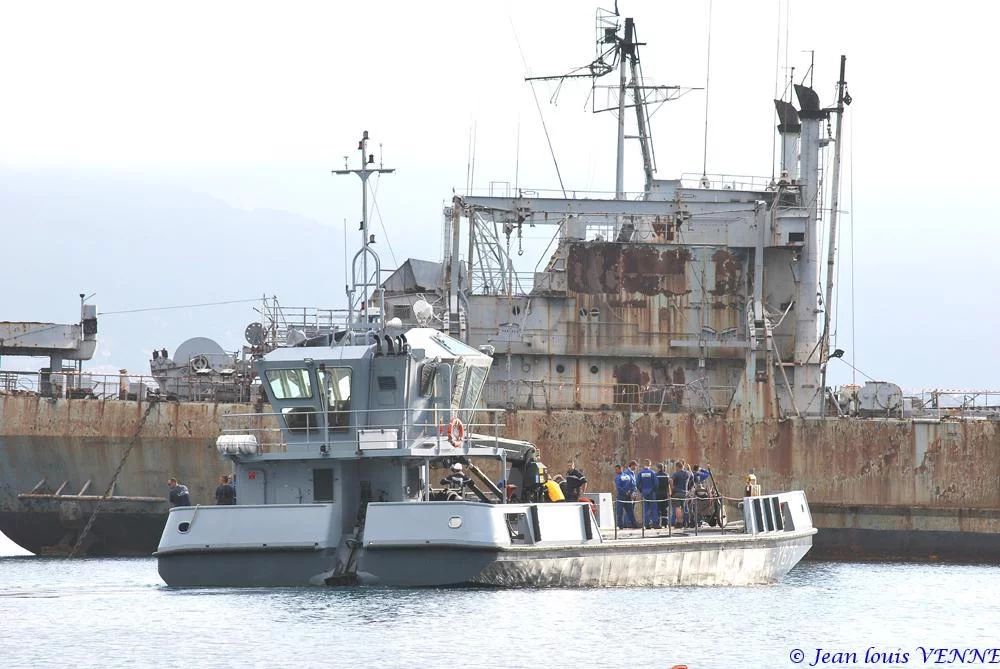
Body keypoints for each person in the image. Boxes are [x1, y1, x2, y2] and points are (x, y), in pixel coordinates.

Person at [636, 459, 659, 529]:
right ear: (650, 465)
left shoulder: (640, 473)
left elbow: (637, 483)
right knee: (654, 508)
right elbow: (656, 483)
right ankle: (655, 523)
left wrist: (641, 490)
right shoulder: (652, 473)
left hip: (644, 492)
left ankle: (647, 524)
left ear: (644, 465)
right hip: (652, 492)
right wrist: (654, 490)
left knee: (645, 508)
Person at [614, 463, 637, 528]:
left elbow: (619, 487)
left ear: (620, 469)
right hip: (628, 496)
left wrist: (624, 492)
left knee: (619, 512)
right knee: (630, 512)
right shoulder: (627, 476)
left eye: (616, 470)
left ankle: (620, 526)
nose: (615, 471)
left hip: (621, 496)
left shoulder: (618, 477)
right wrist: (629, 492)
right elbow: (632, 485)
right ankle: (634, 525)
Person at [669, 462, 692, 529]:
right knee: (683, 508)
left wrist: (672, 488)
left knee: (677, 508)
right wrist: (689, 469)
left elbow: (670, 480)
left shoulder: (676, 473)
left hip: (677, 493)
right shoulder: (688, 473)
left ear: (677, 467)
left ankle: (679, 523)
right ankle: (684, 522)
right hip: (685, 493)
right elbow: (692, 477)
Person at [656, 463, 671, 528]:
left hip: (658, 493)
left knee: (658, 508)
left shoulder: (656, 475)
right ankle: (665, 523)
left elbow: (655, 484)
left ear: (658, 468)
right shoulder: (666, 475)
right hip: (665, 493)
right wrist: (669, 493)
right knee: (664, 509)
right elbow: (668, 485)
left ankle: (658, 523)